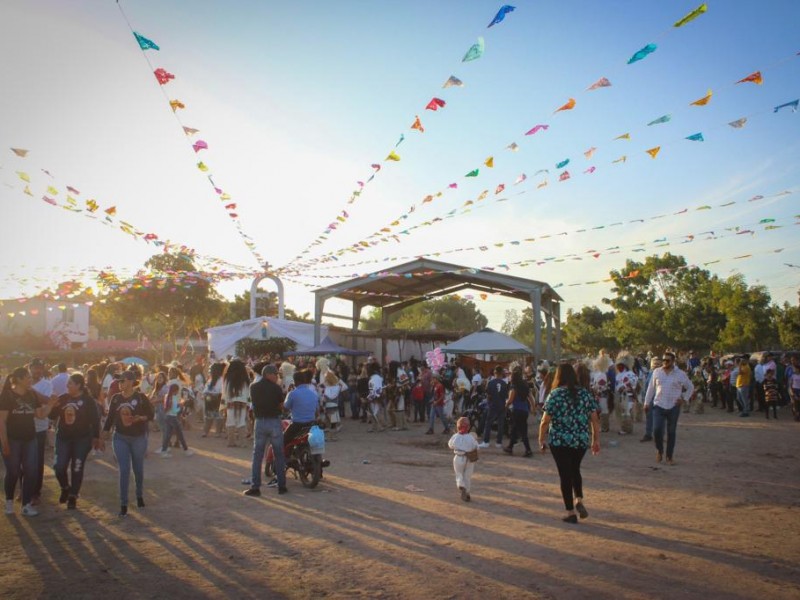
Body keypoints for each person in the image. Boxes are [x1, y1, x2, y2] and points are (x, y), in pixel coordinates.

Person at [538, 362, 600, 523]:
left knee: (564, 475)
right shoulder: (585, 394)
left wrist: (541, 439)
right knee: (575, 469)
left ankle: (570, 512)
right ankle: (578, 498)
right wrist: (596, 440)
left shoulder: (556, 394)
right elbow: (594, 419)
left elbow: (545, 420)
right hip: (580, 440)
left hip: (559, 441)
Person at [1, 367, 52, 516]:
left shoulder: (31, 395)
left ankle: (26, 504)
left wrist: (50, 404)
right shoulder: (7, 395)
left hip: (30, 438)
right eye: (28, 377)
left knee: (31, 471)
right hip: (12, 439)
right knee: (13, 472)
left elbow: (40, 415)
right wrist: (4, 443)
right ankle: (9, 502)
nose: (31, 380)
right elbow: (2, 421)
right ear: (19, 379)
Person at [102, 370, 154, 516]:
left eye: (122, 381)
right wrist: (102, 435)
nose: (119, 383)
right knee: (124, 469)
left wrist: (140, 418)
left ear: (131, 382)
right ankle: (123, 504)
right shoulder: (116, 398)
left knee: (138, 468)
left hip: (138, 437)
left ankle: (139, 495)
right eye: (119, 381)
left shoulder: (141, 397)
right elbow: (110, 418)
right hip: (120, 437)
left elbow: (151, 415)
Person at [50, 373, 102, 509]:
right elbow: (52, 415)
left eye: (70, 383)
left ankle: (73, 495)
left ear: (78, 385)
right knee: (59, 466)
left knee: (77, 467)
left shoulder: (87, 400)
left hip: (82, 439)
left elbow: (95, 420)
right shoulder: (63, 398)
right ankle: (65, 487)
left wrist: (96, 437)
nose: (67, 386)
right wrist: (53, 405)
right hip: (63, 438)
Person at [644, 351, 694, 465]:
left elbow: (690, 387)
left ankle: (669, 456)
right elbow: (651, 389)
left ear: (673, 361)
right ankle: (659, 450)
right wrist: (646, 403)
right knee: (657, 430)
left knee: (671, 432)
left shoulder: (680, 374)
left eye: (667, 360)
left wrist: (684, 398)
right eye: (664, 360)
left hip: (673, 406)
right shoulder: (657, 372)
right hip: (658, 405)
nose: (665, 362)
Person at [245, 365, 287, 496]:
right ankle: (282, 486)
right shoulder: (276, 388)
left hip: (260, 422)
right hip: (274, 422)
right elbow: (281, 406)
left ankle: (255, 487)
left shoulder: (253, 387)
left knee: (257, 455)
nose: (277, 377)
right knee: (279, 454)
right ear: (269, 374)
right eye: (276, 374)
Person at [29, 358, 55, 506]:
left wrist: (31, 391)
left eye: (40, 368)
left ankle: (36, 493)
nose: (37, 370)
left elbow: (48, 401)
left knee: (37, 460)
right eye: (35, 368)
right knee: (22, 461)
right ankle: (25, 490)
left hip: (39, 427)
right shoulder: (22, 382)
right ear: (30, 367)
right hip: (23, 426)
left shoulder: (47, 384)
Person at [283, 369, 320, 447]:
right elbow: (317, 412)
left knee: (281, 442)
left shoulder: (292, 394)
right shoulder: (313, 394)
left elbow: (285, 408)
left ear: (295, 381)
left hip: (297, 425)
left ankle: (281, 458)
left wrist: (288, 392)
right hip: (311, 424)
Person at [503, 366, 535, 457]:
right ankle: (510, 447)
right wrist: (533, 408)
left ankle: (528, 450)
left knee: (521, 430)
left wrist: (505, 406)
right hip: (524, 410)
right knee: (515, 429)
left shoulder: (514, 387)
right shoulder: (524, 386)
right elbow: (531, 397)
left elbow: (510, 400)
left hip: (517, 410)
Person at [447, 416, 479, 502]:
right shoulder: (471, 437)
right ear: (468, 427)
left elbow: (450, 445)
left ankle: (461, 484)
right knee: (467, 476)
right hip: (469, 458)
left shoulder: (455, 436)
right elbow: (476, 447)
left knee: (459, 473)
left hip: (458, 457)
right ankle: (467, 492)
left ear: (457, 427)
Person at [222, 359, 251, 448]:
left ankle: (231, 442)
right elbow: (248, 392)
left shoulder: (227, 378)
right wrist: (249, 403)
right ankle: (243, 443)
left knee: (230, 421)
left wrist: (224, 403)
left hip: (231, 403)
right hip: (242, 403)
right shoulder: (245, 378)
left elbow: (225, 391)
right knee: (241, 421)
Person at [478, 365, 507, 449]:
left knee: (488, 423)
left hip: (493, 405)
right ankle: (499, 443)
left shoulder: (490, 383)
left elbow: (488, 395)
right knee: (501, 424)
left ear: (495, 373)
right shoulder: (505, 384)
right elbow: (506, 396)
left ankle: (486, 442)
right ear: (502, 373)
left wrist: (489, 403)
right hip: (502, 406)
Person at [202, 362, 224, 437]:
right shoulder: (210, 380)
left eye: (211, 370)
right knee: (208, 417)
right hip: (209, 400)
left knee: (218, 417)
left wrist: (213, 395)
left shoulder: (222, 380)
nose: (210, 371)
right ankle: (205, 432)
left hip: (217, 400)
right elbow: (205, 391)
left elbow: (221, 391)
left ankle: (218, 432)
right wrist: (207, 395)